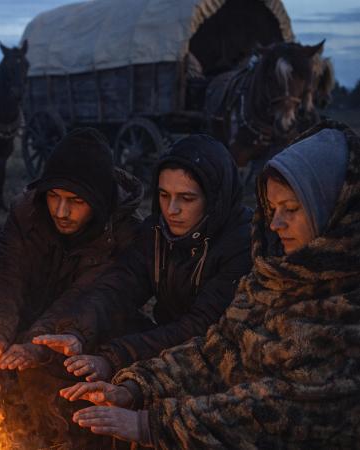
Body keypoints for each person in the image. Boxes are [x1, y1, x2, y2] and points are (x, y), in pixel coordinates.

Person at [60, 122, 360, 449]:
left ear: (334, 209)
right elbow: (217, 348)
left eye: (291, 210)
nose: (275, 224)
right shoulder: (274, 276)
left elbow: (287, 408)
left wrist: (153, 425)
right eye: (272, 209)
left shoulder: (344, 306)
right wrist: (136, 386)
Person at [0, 128, 145, 446]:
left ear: (99, 201)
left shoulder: (123, 235)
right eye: (54, 196)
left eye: (75, 201)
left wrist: (36, 345)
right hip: (29, 316)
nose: (61, 211)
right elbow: (8, 277)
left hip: (86, 331)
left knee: (58, 385)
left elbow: (84, 299)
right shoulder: (28, 211)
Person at [36, 135, 252, 385]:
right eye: (163, 195)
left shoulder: (241, 244)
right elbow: (119, 286)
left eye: (187, 198)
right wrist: (78, 332)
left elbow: (200, 327)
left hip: (222, 356)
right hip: (169, 339)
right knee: (73, 354)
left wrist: (113, 357)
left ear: (214, 198)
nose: (171, 209)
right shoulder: (157, 232)